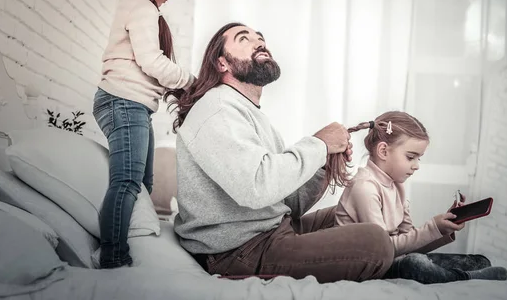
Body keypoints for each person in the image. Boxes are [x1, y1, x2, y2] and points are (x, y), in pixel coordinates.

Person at [164, 22, 393, 283]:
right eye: (244, 39)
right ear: (221, 63)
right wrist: (318, 144)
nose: (259, 42)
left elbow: (288, 204)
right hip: (238, 251)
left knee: (357, 213)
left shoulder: (249, 114)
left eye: (260, 38)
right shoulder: (217, 110)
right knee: (375, 243)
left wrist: (323, 164)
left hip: (270, 230)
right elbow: (257, 186)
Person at [93, 0, 194, 268]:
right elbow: (151, 62)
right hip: (123, 101)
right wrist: (190, 81)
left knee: (143, 182)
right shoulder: (141, 7)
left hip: (131, 105)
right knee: (126, 182)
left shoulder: (134, 4)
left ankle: (136, 243)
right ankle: (113, 257)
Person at [334, 111, 507, 283]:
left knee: (479, 261)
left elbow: (410, 243)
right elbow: (383, 250)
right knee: (415, 263)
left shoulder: (397, 186)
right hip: (368, 268)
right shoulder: (364, 188)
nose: (416, 166)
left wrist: (443, 230)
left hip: (391, 258)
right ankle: (464, 278)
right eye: (410, 157)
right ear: (384, 151)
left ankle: (457, 273)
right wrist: (432, 227)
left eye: (419, 158)